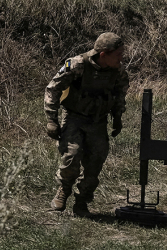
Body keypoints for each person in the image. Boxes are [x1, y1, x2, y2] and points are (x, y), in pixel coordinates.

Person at [44, 32, 129, 217]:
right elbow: (53, 88)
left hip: (98, 122)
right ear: (103, 54)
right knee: (71, 157)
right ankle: (64, 190)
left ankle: (82, 201)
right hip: (75, 118)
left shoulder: (118, 71)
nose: (122, 58)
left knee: (95, 163)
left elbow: (120, 93)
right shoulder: (77, 64)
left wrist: (117, 117)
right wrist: (52, 120)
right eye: (118, 54)